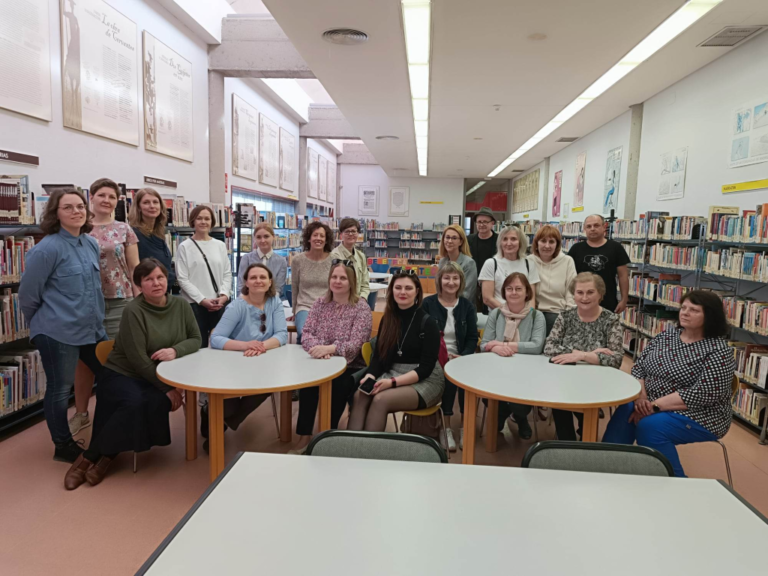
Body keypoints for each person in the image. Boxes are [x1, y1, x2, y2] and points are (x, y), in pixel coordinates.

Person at [63, 259, 201, 489]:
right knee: (135, 403)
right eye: (148, 280)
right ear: (139, 285)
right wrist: (167, 388)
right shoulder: (133, 310)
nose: (156, 283)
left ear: (168, 280)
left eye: (160, 277)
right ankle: (91, 458)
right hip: (122, 373)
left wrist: (176, 350)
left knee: (153, 403)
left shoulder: (181, 306)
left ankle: (103, 457)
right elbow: (137, 359)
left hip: (155, 376)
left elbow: (196, 339)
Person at [603, 291, 735, 477]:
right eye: (684, 308)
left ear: (710, 316)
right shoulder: (667, 336)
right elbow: (639, 367)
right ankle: (606, 466)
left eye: (694, 310)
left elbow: (704, 394)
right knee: (626, 407)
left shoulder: (718, 350)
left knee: (650, 426)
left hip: (700, 414)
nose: (685, 313)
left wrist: (653, 407)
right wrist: (641, 397)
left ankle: (676, 484)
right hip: (650, 402)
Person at [19, 188, 106, 463]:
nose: (76, 211)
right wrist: (42, 325)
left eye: (80, 206)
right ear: (55, 213)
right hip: (58, 332)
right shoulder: (46, 249)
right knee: (59, 389)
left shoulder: (90, 244)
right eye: (68, 207)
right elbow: (28, 295)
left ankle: (109, 432)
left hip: (91, 329)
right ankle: (63, 445)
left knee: (112, 376)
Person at [69, 178, 140, 437]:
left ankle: (114, 410)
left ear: (117, 201)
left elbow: (134, 268)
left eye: (112, 196)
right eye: (101, 195)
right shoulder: (80, 228)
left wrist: (138, 299)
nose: (106, 200)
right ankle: (81, 413)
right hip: (86, 302)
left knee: (116, 359)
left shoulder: (124, 229)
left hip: (120, 299)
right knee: (84, 361)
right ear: (92, 197)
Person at [348, 270, 443, 432]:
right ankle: (351, 451)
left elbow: (426, 368)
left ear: (417, 291)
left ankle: (369, 454)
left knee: (380, 400)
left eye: (408, 288)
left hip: (425, 379)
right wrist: (370, 376)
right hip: (392, 371)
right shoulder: (388, 319)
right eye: (398, 287)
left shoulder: (428, 323)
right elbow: (379, 357)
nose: (403, 292)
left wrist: (392, 383)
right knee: (360, 396)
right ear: (391, 290)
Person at [292, 260, 372, 453]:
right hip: (320, 361)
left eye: (343, 278)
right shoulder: (321, 303)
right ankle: (304, 438)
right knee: (308, 386)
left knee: (337, 387)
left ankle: (327, 437)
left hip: (350, 366)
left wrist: (330, 349)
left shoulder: (361, 307)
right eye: (334, 277)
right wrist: (318, 349)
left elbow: (356, 345)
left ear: (351, 281)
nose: (337, 281)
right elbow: (307, 333)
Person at [208, 263, 288, 451]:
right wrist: (245, 345)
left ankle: (223, 422)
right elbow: (216, 338)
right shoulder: (237, 306)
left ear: (270, 282)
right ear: (246, 282)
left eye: (263, 277)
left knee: (270, 384)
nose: (258, 281)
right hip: (234, 363)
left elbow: (282, 335)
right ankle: (213, 414)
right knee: (229, 406)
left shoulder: (274, 301)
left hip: (262, 362)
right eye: (253, 277)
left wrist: (260, 347)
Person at [544, 272, 623, 441]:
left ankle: (585, 439)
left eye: (590, 292)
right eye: (580, 292)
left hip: (596, 381)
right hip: (565, 378)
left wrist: (582, 355)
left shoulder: (611, 320)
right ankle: (567, 443)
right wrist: (590, 355)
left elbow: (616, 359)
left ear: (600, 294)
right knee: (558, 398)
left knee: (584, 401)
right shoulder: (565, 317)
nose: (584, 297)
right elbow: (549, 347)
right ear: (574, 295)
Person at [480, 273, 546, 440]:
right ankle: (502, 415)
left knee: (520, 405)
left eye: (518, 288)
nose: (514, 292)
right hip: (497, 370)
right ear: (504, 292)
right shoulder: (495, 314)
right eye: (509, 289)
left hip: (526, 372)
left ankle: (520, 417)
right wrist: (494, 349)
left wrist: (501, 345)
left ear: (527, 292)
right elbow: (484, 345)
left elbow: (537, 346)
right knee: (489, 399)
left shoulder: (536, 316)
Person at [422, 262, 478, 451]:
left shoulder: (467, 306)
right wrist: (442, 358)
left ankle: (464, 427)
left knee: (465, 380)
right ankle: (446, 428)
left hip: (462, 357)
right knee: (447, 377)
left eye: (455, 278)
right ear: (439, 280)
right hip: (435, 357)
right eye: (446, 277)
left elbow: (472, 338)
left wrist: (463, 356)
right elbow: (423, 337)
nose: (451, 282)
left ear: (461, 281)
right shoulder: (428, 304)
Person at [175, 205, 232, 348]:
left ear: (212, 222)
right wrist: (202, 300)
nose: (203, 222)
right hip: (195, 305)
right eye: (199, 218)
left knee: (220, 344)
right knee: (197, 345)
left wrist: (224, 296)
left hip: (219, 303)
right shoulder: (184, 247)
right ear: (192, 221)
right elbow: (182, 278)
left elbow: (227, 273)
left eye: (207, 218)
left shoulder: (219, 245)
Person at [566, 214, 630, 314]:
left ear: (604, 227)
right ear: (584, 229)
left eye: (596, 225)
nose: (592, 229)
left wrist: (624, 299)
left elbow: (623, 276)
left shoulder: (616, 248)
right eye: (589, 226)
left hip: (608, 302)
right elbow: (568, 276)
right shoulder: (576, 249)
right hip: (581, 301)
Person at [528, 224, 576, 336]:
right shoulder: (529, 261)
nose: (547, 245)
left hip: (558, 312)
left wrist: (570, 317)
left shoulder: (567, 261)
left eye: (551, 242)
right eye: (543, 241)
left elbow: (572, 291)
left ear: (557, 245)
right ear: (536, 243)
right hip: (535, 312)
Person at [479, 225, 539, 311]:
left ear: (520, 242)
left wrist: (528, 316)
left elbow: (531, 298)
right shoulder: (491, 264)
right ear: (500, 243)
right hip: (499, 314)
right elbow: (487, 299)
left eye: (513, 239)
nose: (509, 243)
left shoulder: (529, 264)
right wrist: (510, 313)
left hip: (524, 315)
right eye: (505, 239)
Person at [291, 221, 333, 342]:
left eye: (322, 236)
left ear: (326, 240)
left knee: (326, 336)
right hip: (304, 306)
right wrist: (295, 311)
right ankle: (301, 360)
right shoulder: (298, 260)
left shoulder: (334, 260)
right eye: (315, 235)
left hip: (327, 306)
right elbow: (295, 287)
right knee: (304, 334)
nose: (318, 238)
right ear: (308, 239)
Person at [129, 188, 175, 292]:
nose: (152, 206)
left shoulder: (158, 233)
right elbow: (134, 270)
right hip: (147, 295)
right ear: (139, 207)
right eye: (146, 202)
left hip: (162, 293)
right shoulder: (134, 235)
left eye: (155, 202)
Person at [238, 222, 288, 297]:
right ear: (254, 238)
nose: (262, 240)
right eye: (258, 237)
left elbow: (278, 290)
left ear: (273, 237)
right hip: (248, 302)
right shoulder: (246, 258)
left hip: (271, 302)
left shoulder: (281, 261)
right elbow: (241, 286)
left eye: (266, 236)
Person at [330, 218, 371, 306]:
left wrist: (362, 299)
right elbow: (333, 286)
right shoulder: (334, 256)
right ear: (341, 234)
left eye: (353, 231)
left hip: (359, 302)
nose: (350, 234)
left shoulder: (361, 256)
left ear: (358, 234)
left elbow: (365, 283)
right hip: (340, 304)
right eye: (347, 231)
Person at [466, 207, 498, 311]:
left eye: (485, 222)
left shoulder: (499, 240)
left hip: (494, 283)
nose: (481, 224)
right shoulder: (469, 240)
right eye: (479, 222)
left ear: (492, 223)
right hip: (473, 283)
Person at [437, 224, 477, 304]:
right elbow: (439, 288)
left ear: (461, 242)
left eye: (454, 238)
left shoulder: (469, 263)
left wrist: (446, 302)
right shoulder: (442, 262)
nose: (450, 241)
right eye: (447, 237)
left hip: (462, 309)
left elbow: (467, 294)